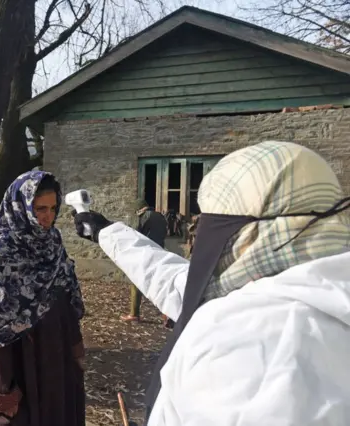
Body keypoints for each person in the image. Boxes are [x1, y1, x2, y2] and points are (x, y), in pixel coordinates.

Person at [72, 141, 350, 426]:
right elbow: (183, 284)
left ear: (243, 229)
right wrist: (106, 233)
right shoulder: (315, 286)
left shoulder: (251, 343)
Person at [0, 171, 86, 426]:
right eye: (39, 208)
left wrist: (75, 351)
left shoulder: (53, 245)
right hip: (17, 365)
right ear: (21, 207)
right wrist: (0, 390)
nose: (47, 217)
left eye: (52, 208)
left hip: (56, 360)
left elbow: (67, 299)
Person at [121, 199, 167, 323]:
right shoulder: (161, 217)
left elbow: (135, 233)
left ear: (140, 209)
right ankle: (167, 314)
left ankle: (134, 314)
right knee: (159, 283)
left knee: (136, 282)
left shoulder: (143, 216)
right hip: (159, 251)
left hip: (145, 252)